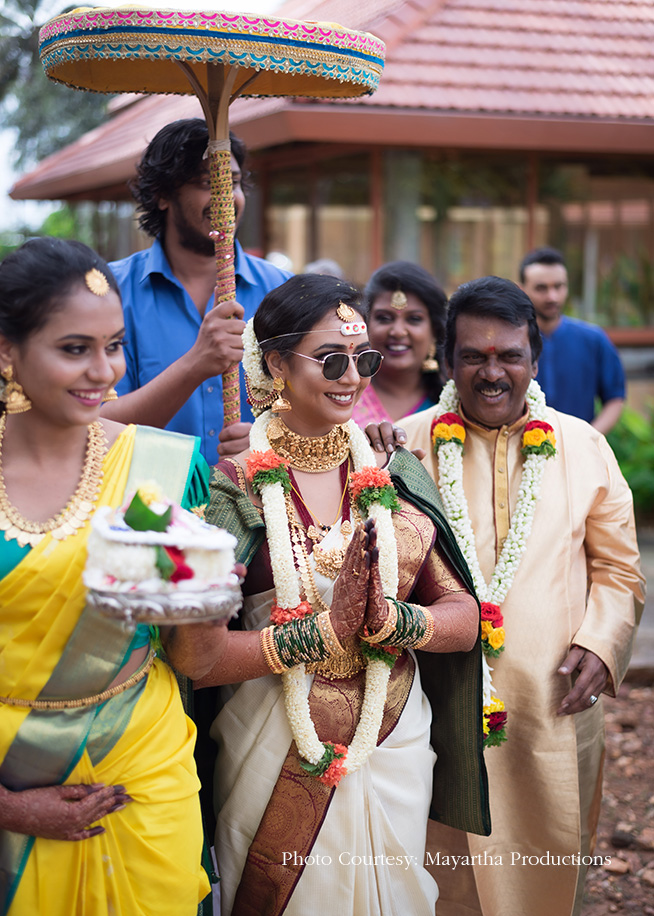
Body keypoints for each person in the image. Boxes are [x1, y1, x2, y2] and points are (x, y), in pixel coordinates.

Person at [165, 274, 491, 915]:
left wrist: (393, 622)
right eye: (330, 360)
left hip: (390, 741)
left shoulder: (394, 471)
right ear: (276, 364)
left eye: (362, 360)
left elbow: (464, 617)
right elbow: (194, 658)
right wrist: (320, 633)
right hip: (270, 746)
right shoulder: (232, 487)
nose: (352, 378)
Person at [370, 276, 645, 916]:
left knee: (551, 859)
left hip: (553, 702)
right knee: (443, 870)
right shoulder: (404, 447)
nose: (492, 373)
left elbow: (619, 568)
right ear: (448, 360)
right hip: (435, 707)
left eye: (509, 356)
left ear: (534, 361)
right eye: (474, 356)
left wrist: (602, 645)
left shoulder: (583, 446)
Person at [0, 238, 214, 915]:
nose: (104, 371)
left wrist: (202, 598)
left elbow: (194, 654)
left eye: (115, 346)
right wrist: (9, 808)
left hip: (142, 765)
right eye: (75, 349)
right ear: (6, 352)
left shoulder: (158, 468)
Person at [104, 119, 293, 461]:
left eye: (233, 182)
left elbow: (318, 409)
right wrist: (195, 364)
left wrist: (270, 441)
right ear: (162, 195)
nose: (226, 198)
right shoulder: (110, 293)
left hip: (259, 492)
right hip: (148, 493)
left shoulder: (283, 291)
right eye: (208, 183)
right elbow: (96, 427)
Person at [519, 246, 625, 434]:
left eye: (558, 286)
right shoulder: (512, 341)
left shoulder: (594, 339)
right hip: (521, 446)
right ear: (522, 289)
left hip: (580, 445)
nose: (552, 296)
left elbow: (615, 398)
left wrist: (588, 437)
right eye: (541, 288)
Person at [352, 261, 446, 427]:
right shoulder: (342, 394)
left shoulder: (452, 403)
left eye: (414, 319)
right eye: (384, 318)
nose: (398, 331)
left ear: (434, 330)